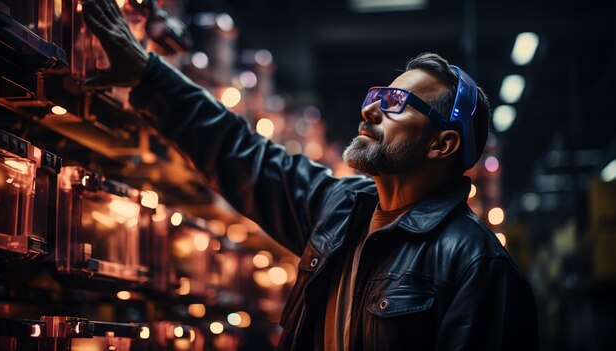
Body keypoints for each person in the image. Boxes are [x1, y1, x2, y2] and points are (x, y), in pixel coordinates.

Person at [81, 0, 539, 350]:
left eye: (398, 104)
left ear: (442, 145)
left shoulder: (477, 265)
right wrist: (147, 75)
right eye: (379, 94)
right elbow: (240, 152)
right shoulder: (342, 211)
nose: (371, 108)